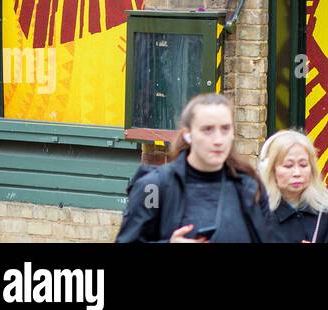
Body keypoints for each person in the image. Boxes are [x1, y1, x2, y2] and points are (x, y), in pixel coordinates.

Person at [115, 93, 272, 243]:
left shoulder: (250, 187)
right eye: (207, 129)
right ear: (188, 135)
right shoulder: (153, 187)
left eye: (225, 129)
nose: (218, 140)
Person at [256, 129, 328, 243]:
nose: (297, 173)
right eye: (288, 166)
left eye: (303, 165)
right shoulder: (257, 212)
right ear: (271, 170)